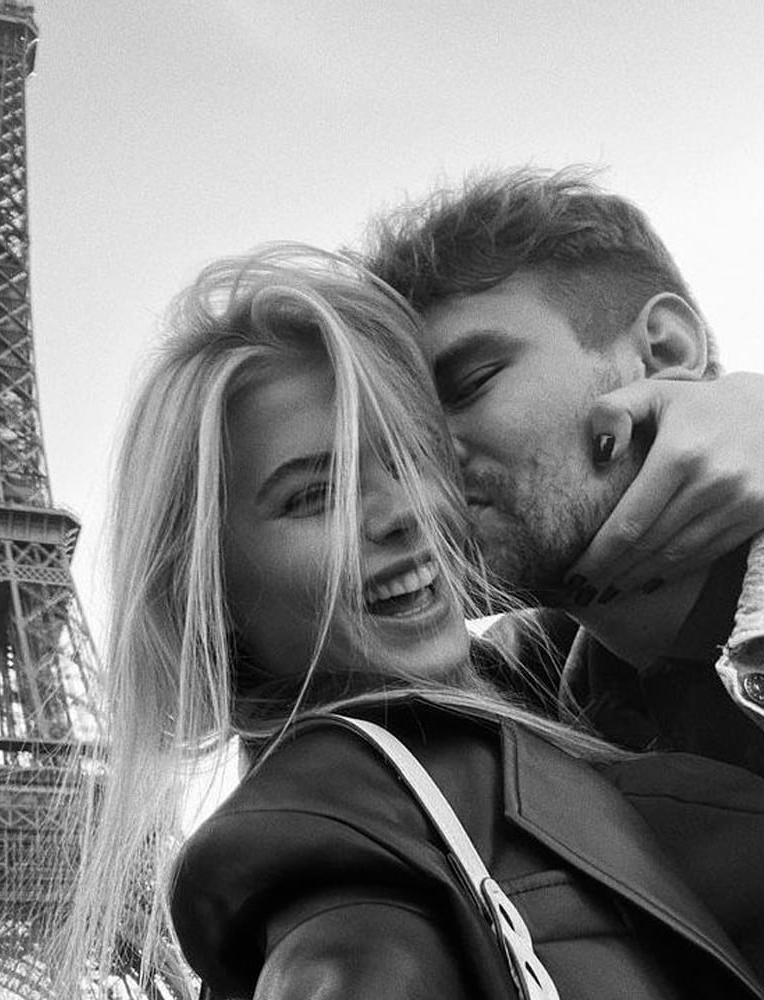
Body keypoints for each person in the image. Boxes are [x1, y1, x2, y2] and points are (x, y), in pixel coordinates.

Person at [55, 246, 764, 1000]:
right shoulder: (336, 845)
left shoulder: (554, 692)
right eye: (312, 495)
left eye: (407, 455)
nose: (403, 515)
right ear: (211, 591)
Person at [364, 167, 764, 769]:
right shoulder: (507, 701)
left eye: (470, 385)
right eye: (400, 434)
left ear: (665, 351)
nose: (420, 463)